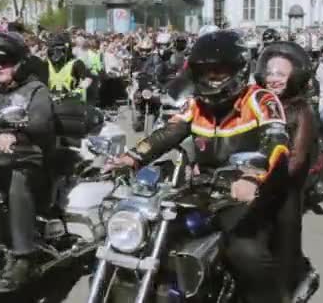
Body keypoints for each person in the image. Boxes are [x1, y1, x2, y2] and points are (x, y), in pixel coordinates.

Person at [105, 30, 291, 303]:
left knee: (244, 252)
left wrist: (252, 177)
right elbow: (166, 134)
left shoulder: (260, 99)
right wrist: (131, 158)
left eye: (219, 72)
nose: (211, 79)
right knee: (152, 236)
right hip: (201, 190)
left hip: (247, 193)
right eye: (205, 73)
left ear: (239, 70)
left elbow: (277, 145)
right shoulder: (196, 105)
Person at [0, 31, 55, 292]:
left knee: (18, 183)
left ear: (19, 64)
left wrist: (15, 134)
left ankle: (23, 256)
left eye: (5, 63)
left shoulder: (35, 90)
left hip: (28, 157)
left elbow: (41, 123)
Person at [254, 41, 320, 294]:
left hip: (283, 187)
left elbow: (296, 159)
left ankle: (284, 291)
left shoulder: (300, 110)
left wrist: (266, 182)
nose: (273, 79)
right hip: (251, 181)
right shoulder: (256, 103)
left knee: (282, 239)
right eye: (269, 73)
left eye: (281, 74)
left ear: (294, 76)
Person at [46, 33, 91, 101]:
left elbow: (88, 80)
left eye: (59, 49)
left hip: (73, 104)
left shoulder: (77, 63)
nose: (55, 53)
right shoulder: (48, 65)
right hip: (52, 105)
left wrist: (77, 91)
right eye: (53, 49)